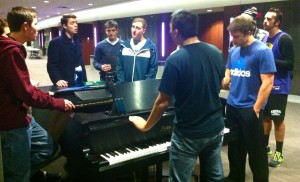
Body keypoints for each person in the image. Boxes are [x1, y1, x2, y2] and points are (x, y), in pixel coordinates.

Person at [130, 10, 225, 182]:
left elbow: (163, 102)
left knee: (179, 179)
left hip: (188, 133)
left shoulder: (176, 59)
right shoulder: (215, 52)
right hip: (215, 128)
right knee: (214, 177)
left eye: (170, 30)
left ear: (176, 32)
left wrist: (145, 126)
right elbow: (219, 84)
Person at [0, 6, 75, 182]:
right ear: (25, 26)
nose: (37, 28)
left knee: (48, 147)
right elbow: (26, 93)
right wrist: (58, 102)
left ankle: (27, 172)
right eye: (35, 24)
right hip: (12, 123)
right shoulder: (11, 51)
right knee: (17, 176)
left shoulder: (12, 48)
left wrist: (38, 92)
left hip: (22, 117)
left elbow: (21, 86)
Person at [222, 15, 276, 182]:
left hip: (250, 108)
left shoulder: (262, 51)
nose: (233, 39)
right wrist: (225, 80)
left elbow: (268, 82)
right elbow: (228, 73)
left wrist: (257, 108)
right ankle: (235, 177)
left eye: (236, 36)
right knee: (235, 148)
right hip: (232, 106)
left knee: (256, 150)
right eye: (232, 35)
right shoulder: (233, 50)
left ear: (248, 32)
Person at [262, 7, 294, 167]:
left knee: (278, 120)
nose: (265, 21)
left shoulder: (284, 39)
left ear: (277, 22)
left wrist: (269, 60)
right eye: (265, 18)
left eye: (269, 19)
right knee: (265, 117)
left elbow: (290, 64)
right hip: (265, 86)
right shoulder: (263, 39)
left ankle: (279, 153)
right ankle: (265, 147)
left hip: (279, 87)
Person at [47, 14, 87, 87]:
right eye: (72, 23)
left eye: (76, 22)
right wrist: (57, 79)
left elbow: (80, 62)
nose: (76, 25)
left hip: (80, 80)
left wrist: (84, 79)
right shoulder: (56, 42)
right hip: (65, 82)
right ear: (65, 26)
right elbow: (52, 66)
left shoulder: (78, 41)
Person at [116, 17, 158, 83]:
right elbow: (119, 67)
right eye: (133, 27)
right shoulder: (123, 46)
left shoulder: (151, 47)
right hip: (125, 87)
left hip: (143, 88)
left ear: (143, 31)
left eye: (138, 28)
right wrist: (122, 83)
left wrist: (146, 85)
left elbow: (153, 69)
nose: (134, 30)